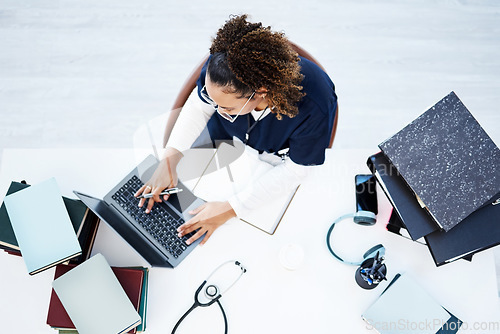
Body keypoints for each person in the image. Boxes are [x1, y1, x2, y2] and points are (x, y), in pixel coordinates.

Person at [134, 14, 337, 246]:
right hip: (222, 141)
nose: (215, 108)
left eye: (226, 107)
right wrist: (169, 161)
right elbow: (199, 108)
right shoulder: (223, 65)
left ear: (260, 92)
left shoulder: (316, 103)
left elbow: (296, 170)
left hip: (270, 157)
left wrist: (230, 209)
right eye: (214, 101)